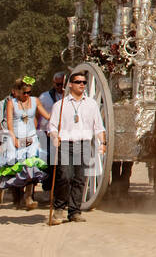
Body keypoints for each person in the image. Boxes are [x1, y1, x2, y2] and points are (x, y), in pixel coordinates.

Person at [48, 72, 106, 224]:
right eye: (78, 81)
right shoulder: (60, 105)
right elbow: (52, 126)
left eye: (84, 82)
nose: (82, 84)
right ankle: (59, 208)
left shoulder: (92, 104)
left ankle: (74, 211)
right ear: (70, 84)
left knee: (80, 179)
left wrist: (103, 143)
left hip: (84, 144)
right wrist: (55, 137)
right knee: (65, 177)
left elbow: (99, 128)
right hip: (66, 144)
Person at [2, 77, 52, 209]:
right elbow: (9, 123)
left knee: (31, 166)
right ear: (17, 92)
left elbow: (47, 116)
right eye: (24, 93)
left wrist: (58, 116)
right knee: (18, 168)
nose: (27, 95)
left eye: (29, 92)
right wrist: (13, 139)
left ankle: (28, 196)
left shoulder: (35, 101)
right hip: (17, 138)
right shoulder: (11, 103)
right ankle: (17, 197)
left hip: (31, 138)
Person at [37, 72, 64, 193]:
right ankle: (47, 189)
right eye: (58, 84)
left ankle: (59, 190)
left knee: (60, 163)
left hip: (63, 134)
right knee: (47, 162)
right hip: (45, 133)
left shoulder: (69, 97)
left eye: (62, 84)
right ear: (54, 83)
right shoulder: (44, 97)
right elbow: (37, 115)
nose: (60, 87)